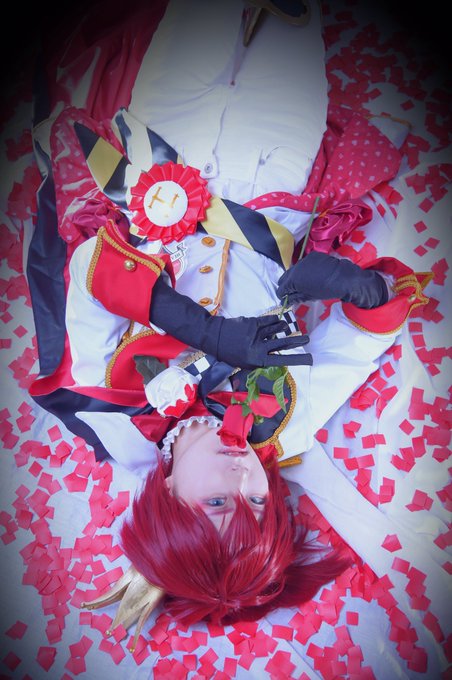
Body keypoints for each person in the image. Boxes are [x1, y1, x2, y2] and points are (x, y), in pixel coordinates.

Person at [28, 0, 430, 646]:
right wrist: (355, 287)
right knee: (296, 21)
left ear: (166, 497)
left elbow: (87, 274)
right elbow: (362, 340)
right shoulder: (283, 419)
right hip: (279, 175)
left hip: (163, 154)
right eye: (259, 502)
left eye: (218, 502)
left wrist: (203, 330)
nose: (244, 479)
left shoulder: (116, 419)